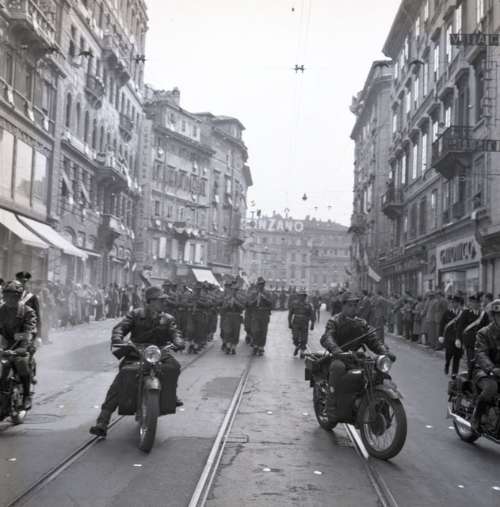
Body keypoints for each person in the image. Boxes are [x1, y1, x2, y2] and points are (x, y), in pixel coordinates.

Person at [89, 286, 185, 438]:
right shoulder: (135, 314)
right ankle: (103, 420)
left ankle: (171, 396)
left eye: (164, 301)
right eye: (160, 301)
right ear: (151, 301)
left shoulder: (168, 318)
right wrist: (118, 338)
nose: (163, 303)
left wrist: (178, 341)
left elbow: (175, 333)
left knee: (174, 367)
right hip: (136, 352)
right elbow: (120, 328)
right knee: (122, 377)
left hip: (159, 352)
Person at [320, 292, 395, 420]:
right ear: (343, 306)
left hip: (355, 357)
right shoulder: (334, 321)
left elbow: (373, 340)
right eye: (350, 305)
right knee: (337, 368)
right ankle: (331, 405)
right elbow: (328, 337)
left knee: (379, 372)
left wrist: (384, 352)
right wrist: (336, 349)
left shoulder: (361, 323)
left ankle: (381, 406)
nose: (353, 308)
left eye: (355, 305)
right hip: (339, 356)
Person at [0, 281, 37, 409]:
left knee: (21, 362)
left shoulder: (27, 312)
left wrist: (20, 349)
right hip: (4, 345)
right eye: (7, 295)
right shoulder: (1, 310)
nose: (9, 299)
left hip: (22, 345)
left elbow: (28, 332)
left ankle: (26, 396)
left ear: (19, 297)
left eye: (13, 296)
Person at [470, 299, 500, 432]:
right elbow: (480, 353)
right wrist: (492, 368)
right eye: (499, 315)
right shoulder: (484, 333)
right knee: (491, 388)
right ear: (493, 316)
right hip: (483, 371)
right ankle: (477, 416)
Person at [247, 277, 273, 356]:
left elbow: (271, 304)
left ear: (264, 285)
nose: (261, 286)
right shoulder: (253, 294)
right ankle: (255, 345)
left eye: (262, 284)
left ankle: (261, 347)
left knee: (263, 331)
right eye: (259, 284)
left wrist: (264, 299)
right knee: (255, 330)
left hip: (264, 313)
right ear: (257, 285)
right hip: (256, 313)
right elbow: (249, 304)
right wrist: (255, 300)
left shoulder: (267, 293)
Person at [220, 280, 245, 354]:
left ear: (237, 290)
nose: (234, 291)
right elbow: (223, 307)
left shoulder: (240, 298)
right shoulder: (227, 298)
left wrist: (236, 303)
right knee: (228, 331)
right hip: (228, 316)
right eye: (232, 289)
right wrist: (228, 304)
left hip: (236, 316)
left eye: (235, 290)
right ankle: (228, 347)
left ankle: (233, 347)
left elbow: (243, 307)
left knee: (235, 332)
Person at [288, 289, 315, 358]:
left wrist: (312, 324)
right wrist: (289, 323)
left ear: (305, 297)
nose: (302, 297)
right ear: (298, 296)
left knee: (304, 338)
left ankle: (302, 351)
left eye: (304, 296)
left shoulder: (309, 305)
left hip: (305, 323)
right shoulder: (294, 303)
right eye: (301, 295)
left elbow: (312, 315)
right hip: (296, 322)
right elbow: (290, 314)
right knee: (295, 337)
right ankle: (297, 346)